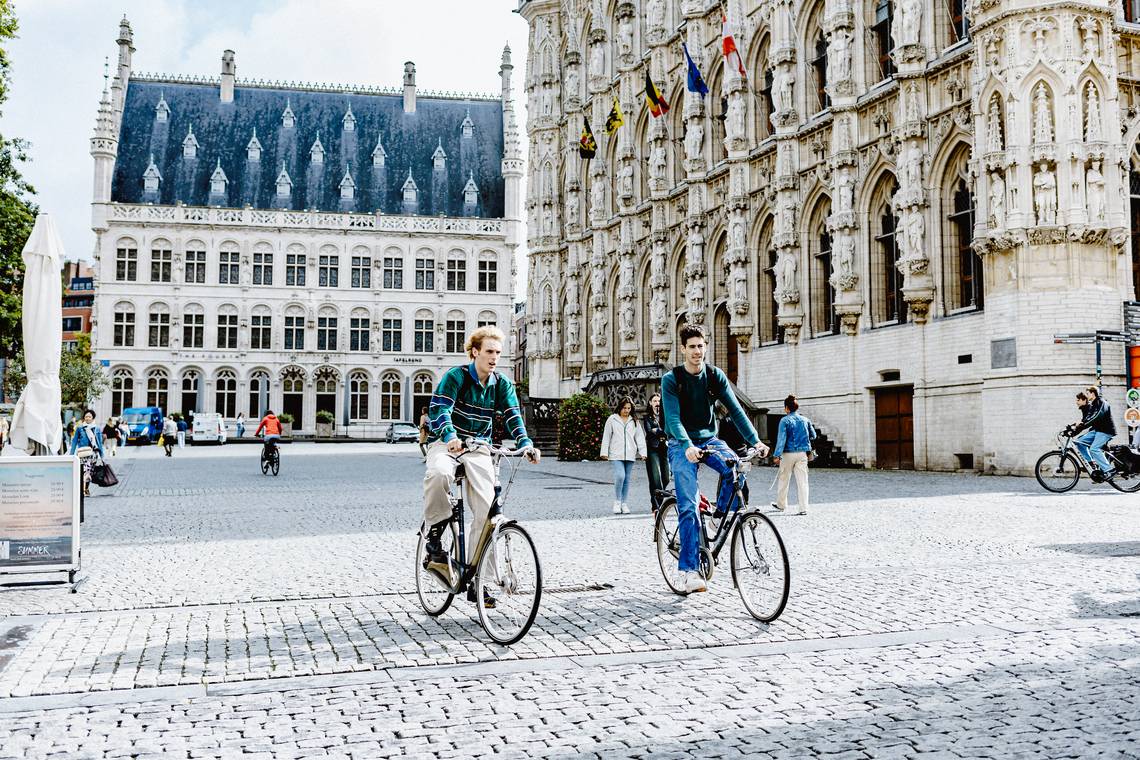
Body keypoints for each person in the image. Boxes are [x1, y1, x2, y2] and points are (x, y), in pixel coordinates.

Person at [422, 326, 540, 609]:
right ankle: (435, 534)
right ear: (475, 351)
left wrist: (525, 443)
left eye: (498, 353)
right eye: (489, 351)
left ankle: (479, 582)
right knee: (439, 474)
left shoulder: (501, 384)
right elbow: (440, 410)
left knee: (487, 513)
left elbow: (513, 416)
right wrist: (450, 437)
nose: (494, 357)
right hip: (447, 443)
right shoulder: (456, 377)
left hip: (478, 448)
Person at [661, 323, 768, 594]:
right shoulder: (672, 380)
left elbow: (735, 409)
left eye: (701, 346)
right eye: (692, 347)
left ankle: (719, 516)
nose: (698, 351)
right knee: (688, 506)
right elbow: (672, 418)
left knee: (736, 468)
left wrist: (755, 440)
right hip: (680, 443)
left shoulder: (714, 376)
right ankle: (688, 571)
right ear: (683, 349)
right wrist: (685, 444)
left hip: (709, 439)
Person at [600, 396, 647, 514]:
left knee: (626, 479)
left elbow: (640, 437)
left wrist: (643, 452)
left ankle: (624, 503)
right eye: (624, 408)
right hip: (616, 453)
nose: (626, 410)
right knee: (620, 476)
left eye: (629, 408)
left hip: (630, 454)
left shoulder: (634, 421)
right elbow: (607, 436)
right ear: (620, 407)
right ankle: (617, 502)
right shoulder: (612, 419)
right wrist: (604, 452)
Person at [771, 394, 817, 515]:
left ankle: (781, 504)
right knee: (803, 481)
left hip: (788, 454)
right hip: (802, 454)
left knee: (784, 479)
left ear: (787, 408)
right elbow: (814, 435)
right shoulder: (805, 419)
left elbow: (781, 439)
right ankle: (803, 508)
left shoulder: (784, 420)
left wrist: (776, 455)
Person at [1069, 386, 1117, 479]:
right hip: (1097, 430)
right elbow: (1087, 418)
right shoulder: (1093, 404)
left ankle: (1109, 470)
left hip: (1106, 431)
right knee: (1079, 442)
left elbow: (1097, 416)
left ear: (1093, 393)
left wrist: (1082, 424)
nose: (1087, 396)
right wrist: (1074, 429)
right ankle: (1091, 463)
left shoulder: (1102, 402)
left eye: (1087, 393)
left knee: (1094, 449)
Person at [642, 393, 670, 513]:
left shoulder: (665, 415)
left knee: (666, 478)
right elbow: (649, 431)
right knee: (655, 478)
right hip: (652, 449)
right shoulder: (647, 417)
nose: (657, 403)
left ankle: (659, 499)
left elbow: (668, 429)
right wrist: (661, 431)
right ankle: (655, 505)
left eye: (658, 401)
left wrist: (659, 431)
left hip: (664, 449)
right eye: (654, 401)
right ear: (650, 403)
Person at [69, 409, 106, 497]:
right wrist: (71, 454)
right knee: (85, 471)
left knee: (90, 472)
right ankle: (83, 489)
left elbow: (99, 443)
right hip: (83, 453)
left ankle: (86, 488)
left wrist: (102, 456)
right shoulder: (80, 428)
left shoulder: (96, 429)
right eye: (86, 416)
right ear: (84, 418)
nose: (88, 418)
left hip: (93, 454)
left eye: (89, 416)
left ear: (93, 418)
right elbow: (74, 441)